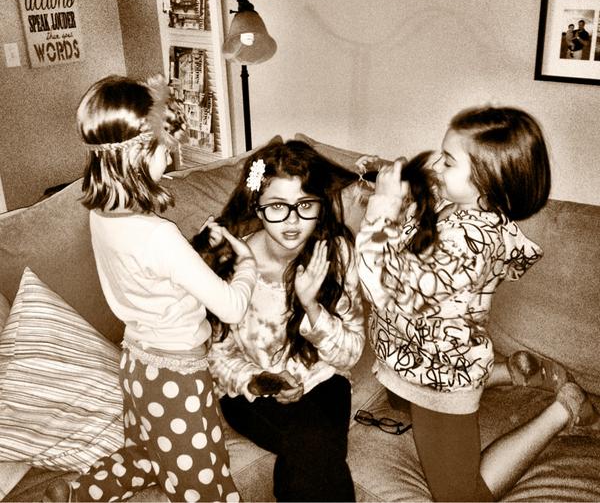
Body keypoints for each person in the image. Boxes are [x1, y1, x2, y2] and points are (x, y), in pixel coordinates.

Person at [355, 106, 599, 502]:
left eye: (449, 161)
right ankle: (509, 371)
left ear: (486, 180)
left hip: (439, 379)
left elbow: (384, 288)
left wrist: (378, 216)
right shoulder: (460, 203)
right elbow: (424, 205)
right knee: (399, 399)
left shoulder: (469, 242)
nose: (436, 163)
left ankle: (563, 409)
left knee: (461, 498)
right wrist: (388, 177)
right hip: (412, 353)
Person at [44, 75, 257, 503]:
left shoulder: (101, 216)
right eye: (164, 149)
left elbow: (151, 276)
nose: (171, 157)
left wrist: (192, 253)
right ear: (138, 154)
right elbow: (233, 307)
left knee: (145, 454)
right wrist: (247, 263)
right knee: (205, 483)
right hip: (178, 377)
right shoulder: (159, 236)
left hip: (137, 365)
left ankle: (78, 494)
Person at [193, 140, 365, 502]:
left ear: (320, 204)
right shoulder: (230, 263)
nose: (292, 221)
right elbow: (216, 356)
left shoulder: (336, 252)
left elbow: (350, 353)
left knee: (311, 447)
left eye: (305, 205)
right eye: (277, 207)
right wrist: (261, 381)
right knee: (314, 443)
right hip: (252, 393)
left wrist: (312, 307)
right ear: (257, 205)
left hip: (323, 380)